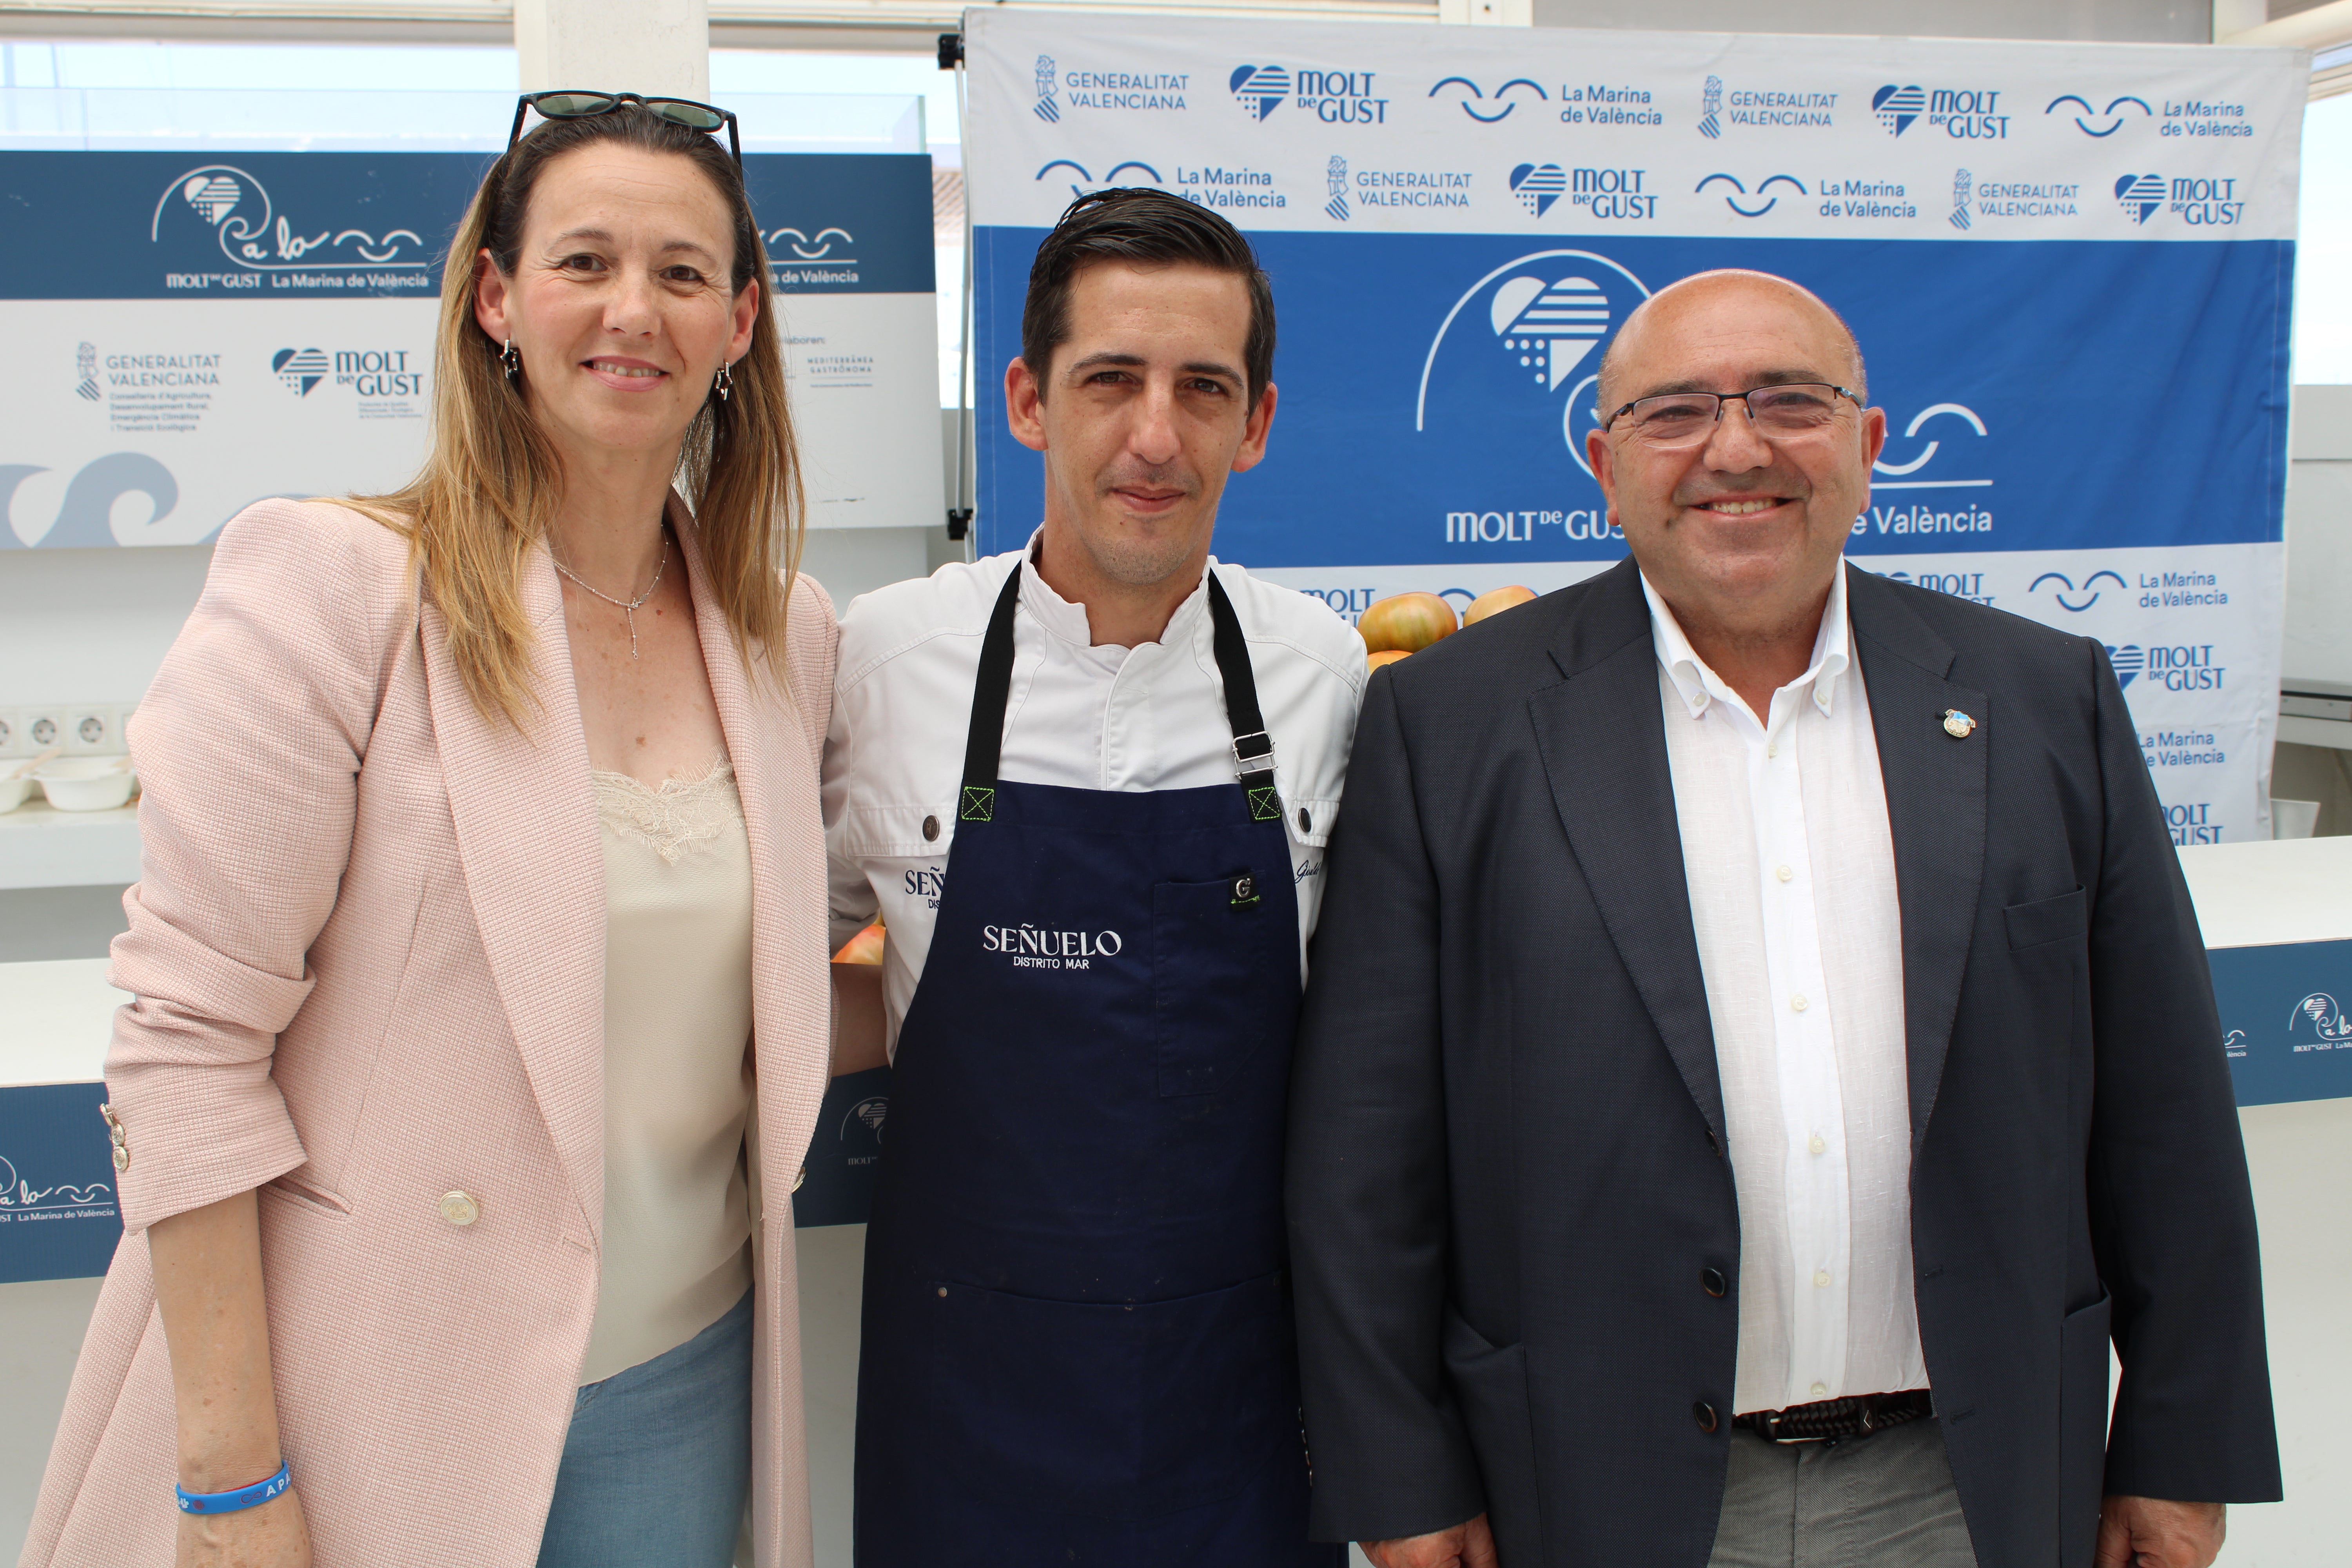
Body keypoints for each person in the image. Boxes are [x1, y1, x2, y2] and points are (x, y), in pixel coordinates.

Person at [1285, 269, 2280, 1568]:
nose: (1737, 447)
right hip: (1589, 1487)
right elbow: (1366, 1150)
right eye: (1676, 412)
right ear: (1605, 459)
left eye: (1792, 403)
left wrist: (2180, 1442)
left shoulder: (2047, 701)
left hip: (1968, 1483)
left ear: (1868, 447)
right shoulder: (1452, 725)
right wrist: (1400, 1476)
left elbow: (2165, 1111)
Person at [23, 94, 839, 1568]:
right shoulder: (338, 589)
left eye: (681, 272)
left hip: (684, 1383)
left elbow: (750, 996)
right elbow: (187, 1045)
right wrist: (230, 1480)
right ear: (496, 298)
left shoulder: (788, 634)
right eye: (584, 260)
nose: (631, 310)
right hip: (367, 1388)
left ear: (741, 322)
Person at [824, 188, 1362, 1566]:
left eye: (1203, 390)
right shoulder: (876, 667)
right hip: (966, 1384)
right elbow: (773, 961)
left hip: (1240, 1390)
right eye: (1110, 380)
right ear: (1027, 400)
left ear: (1258, 422)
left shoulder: (1326, 678)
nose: (1154, 437)